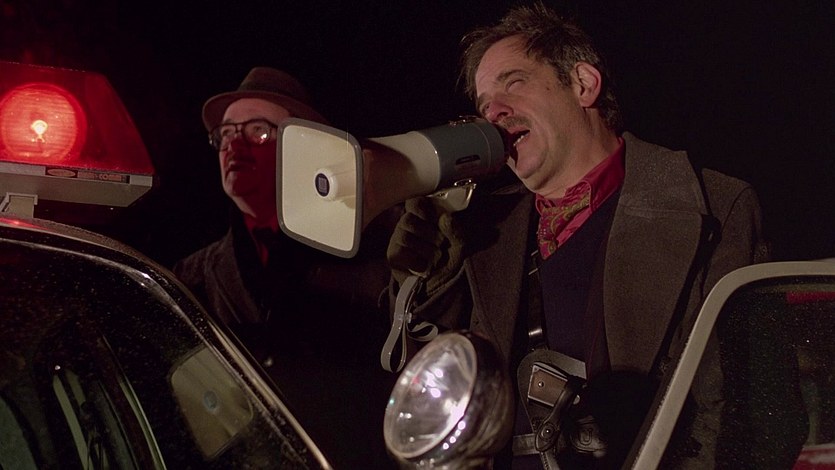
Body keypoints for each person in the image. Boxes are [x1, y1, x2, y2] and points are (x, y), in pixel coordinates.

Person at [386, 3, 806, 468]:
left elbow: (758, 419)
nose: (493, 113)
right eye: (484, 105)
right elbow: (436, 406)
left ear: (583, 84)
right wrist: (427, 286)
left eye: (514, 84)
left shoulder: (715, 208)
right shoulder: (483, 234)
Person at [174, 67, 397, 469]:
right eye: (225, 133)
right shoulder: (190, 278)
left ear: (307, 147)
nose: (233, 145)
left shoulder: (381, 249)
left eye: (258, 131)